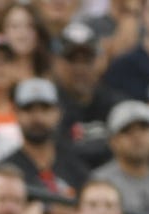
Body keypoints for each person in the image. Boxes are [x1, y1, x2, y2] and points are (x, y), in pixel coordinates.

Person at [0, 78, 88, 214]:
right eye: (28, 109)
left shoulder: (75, 166)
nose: (37, 117)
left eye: (45, 109)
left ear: (58, 112)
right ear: (16, 113)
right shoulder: (5, 170)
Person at [53, 21, 126, 172]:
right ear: (57, 63)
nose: (80, 68)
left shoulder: (116, 104)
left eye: (87, 60)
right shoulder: (49, 105)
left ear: (100, 61)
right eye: (72, 59)